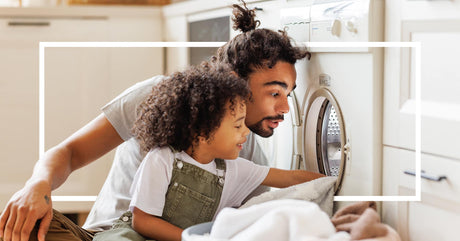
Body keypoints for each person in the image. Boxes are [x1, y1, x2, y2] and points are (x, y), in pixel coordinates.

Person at [0, 1, 310, 241]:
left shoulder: (247, 153)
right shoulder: (159, 97)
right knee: (24, 225)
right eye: (274, 93)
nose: (284, 107)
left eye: (289, 94)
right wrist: (36, 185)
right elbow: (71, 152)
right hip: (105, 235)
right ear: (235, 82)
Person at [92, 63, 323, 241]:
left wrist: (336, 182)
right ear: (202, 131)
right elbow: (142, 221)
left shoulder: (234, 169)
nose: (246, 132)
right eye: (237, 125)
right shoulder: (161, 159)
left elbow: (290, 178)